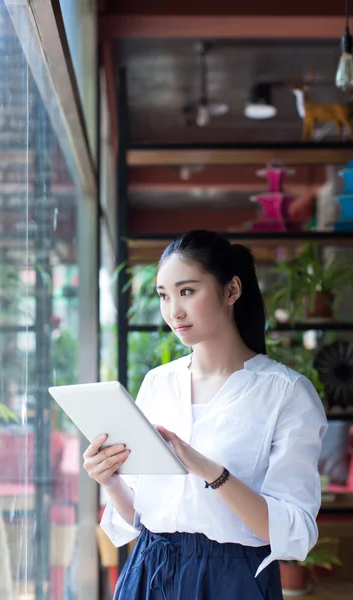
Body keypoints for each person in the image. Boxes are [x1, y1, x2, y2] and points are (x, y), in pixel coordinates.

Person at [83, 230, 328, 600]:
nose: (173, 311)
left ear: (231, 291)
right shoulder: (158, 383)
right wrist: (111, 480)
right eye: (164, 296)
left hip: (232, 578)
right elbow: (142, 514)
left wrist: (207, 469)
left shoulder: (286, 393)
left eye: (187, 291)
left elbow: (292, 533)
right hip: (148, 569)